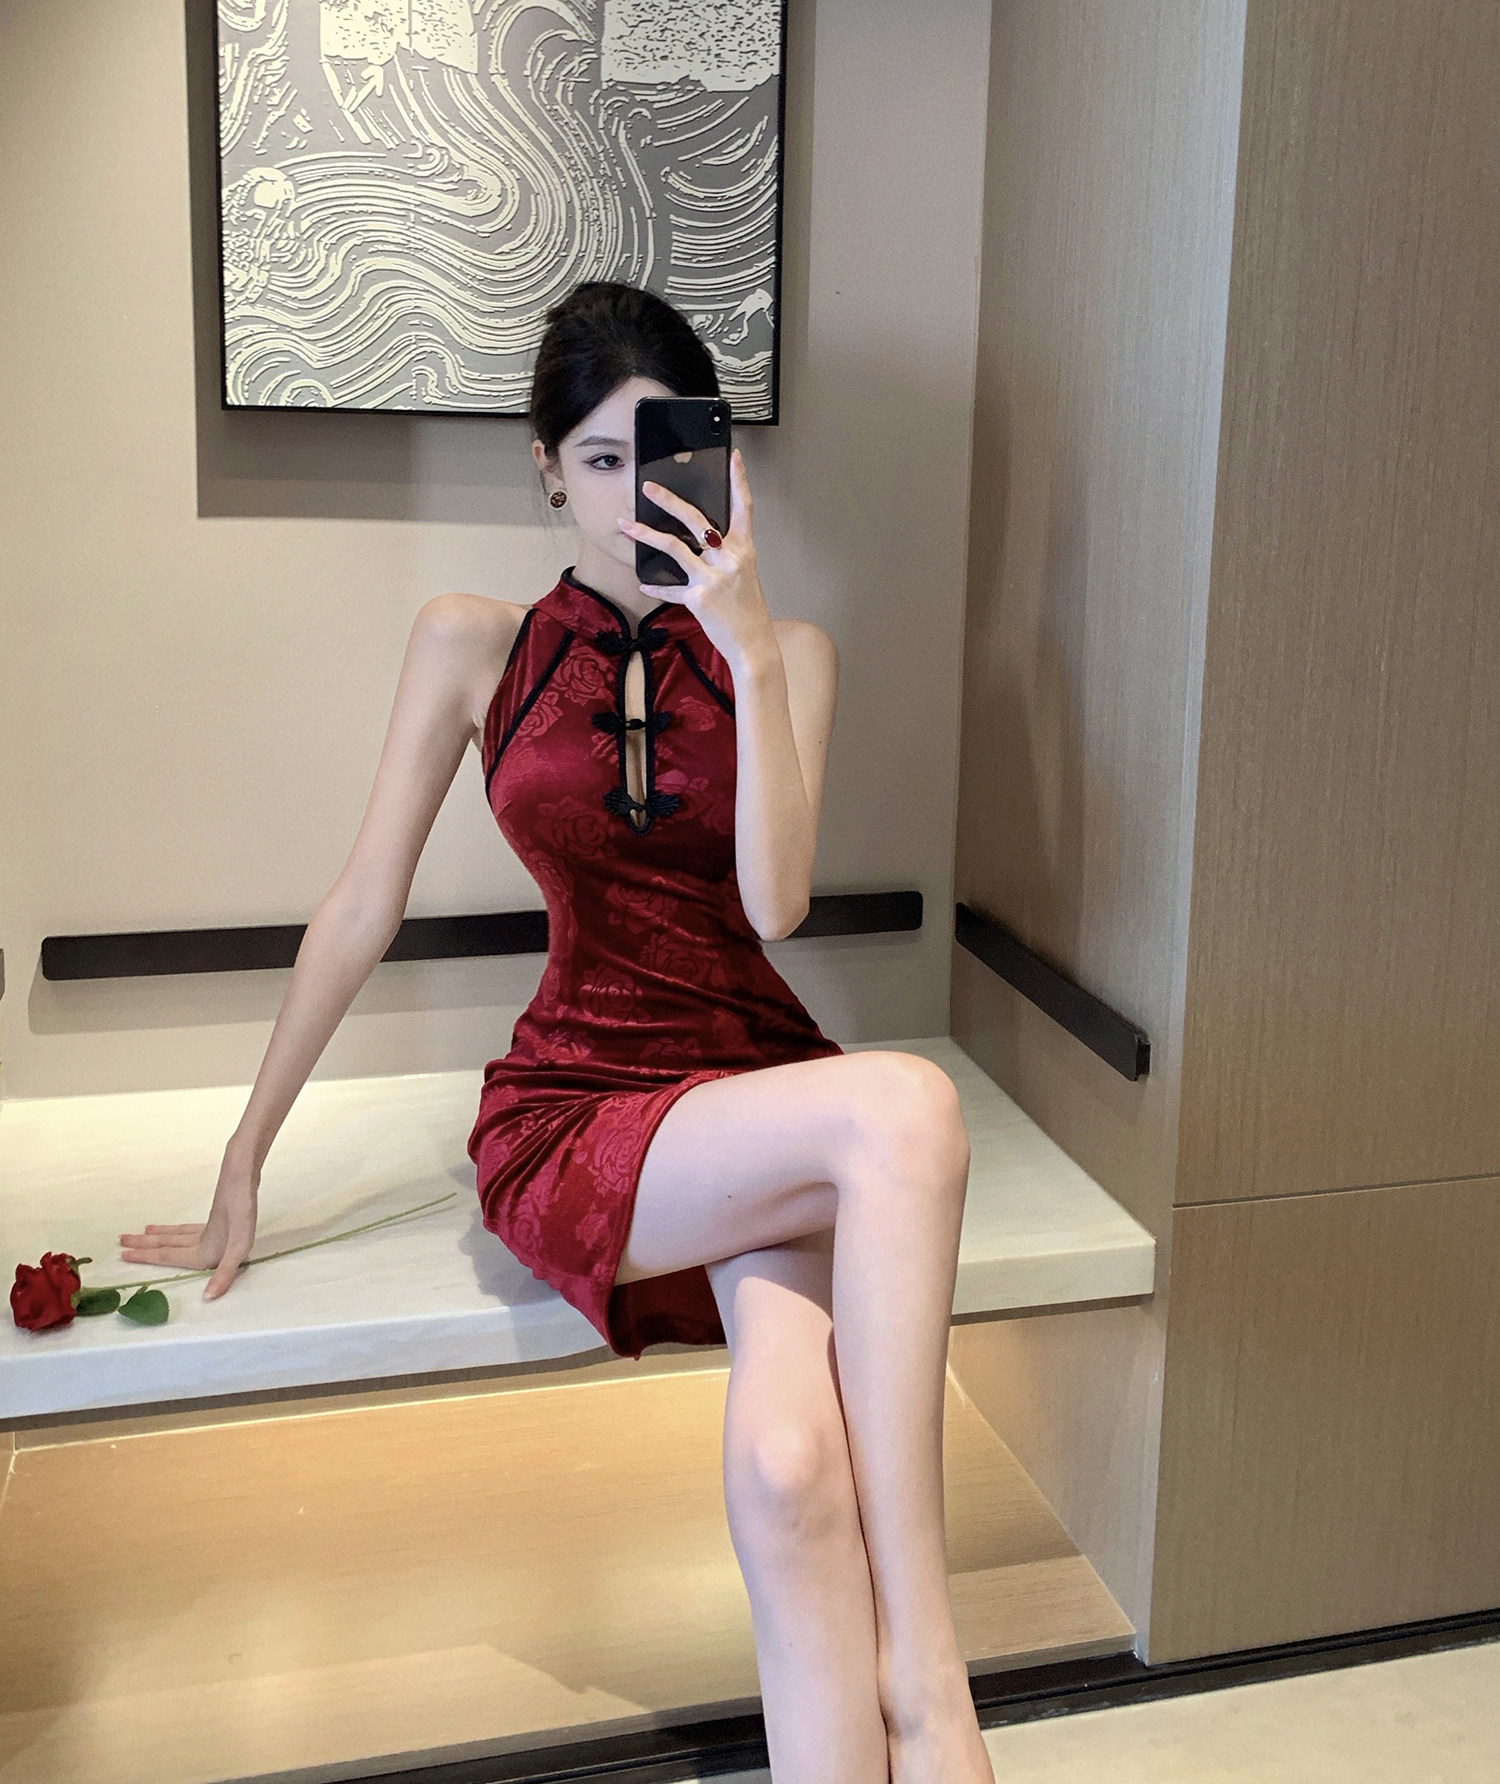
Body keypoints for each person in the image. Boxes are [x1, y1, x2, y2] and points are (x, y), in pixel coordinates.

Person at [119, 282, 990, 1784]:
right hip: (580, 1107)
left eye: (665, 457)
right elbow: (361, 904)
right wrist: (244, 1157)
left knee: (792, 1469)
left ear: (719, 463)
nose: (632, 494)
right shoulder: (475, 643)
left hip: (761, 1098)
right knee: (906, 1109)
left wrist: (748, 647)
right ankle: (928, 1672)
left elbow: (775, 910)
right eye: (598, 460)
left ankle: (890, 1710)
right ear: (545, 466)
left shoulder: (792, 651)